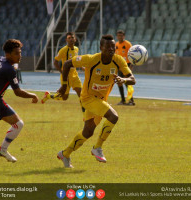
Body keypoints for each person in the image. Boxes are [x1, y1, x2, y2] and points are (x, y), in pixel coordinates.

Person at [56, 34, 136, 168]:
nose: (111, 49)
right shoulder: (91, 59)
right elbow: (68, 63)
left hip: (101, 100)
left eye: (113, 46)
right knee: (113, 116)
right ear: (101, 48)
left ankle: (65, 153)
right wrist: (64, 85)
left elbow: (132, 79)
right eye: (108, 46)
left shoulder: (118, 60)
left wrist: (124, 80)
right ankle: (97, 147)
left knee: (88, 132)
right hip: (87, 98)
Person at [41, 32, 85, 114]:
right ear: (66, 40)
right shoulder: (63, 50)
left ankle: (85, 114)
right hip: (66, 77)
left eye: (72, 37)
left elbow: (75, 60)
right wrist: (62, 73)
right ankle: (48, 96)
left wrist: (82, 67)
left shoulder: (76, 49)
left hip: (74, 75)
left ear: (75, 39)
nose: (71, 39)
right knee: (64, 97)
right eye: (69, 38)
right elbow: (55, 62)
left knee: (81, 93)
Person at [115, 30, 135, 105]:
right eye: (118, 36)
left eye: (121, 36)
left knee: (128, 83)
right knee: (119, 82)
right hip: (119, 66)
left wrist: (131, 66)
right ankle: (123, 100)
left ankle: (131, 100)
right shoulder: (116, 44)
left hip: (127, 66)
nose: (120, 37)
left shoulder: (128, 44)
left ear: (124, 36)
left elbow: (132, 56)